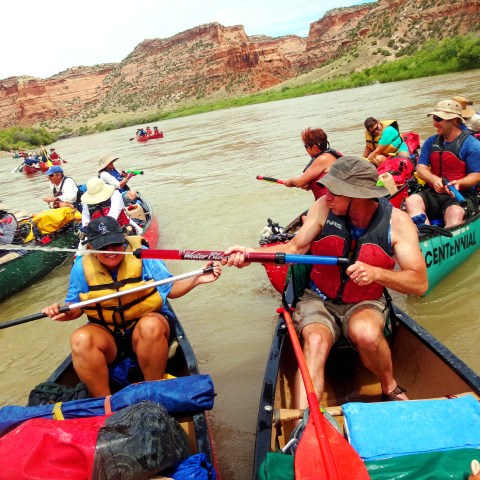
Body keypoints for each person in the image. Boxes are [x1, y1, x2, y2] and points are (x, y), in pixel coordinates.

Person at [223, 156, 428, 408]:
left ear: (359, 196)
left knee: (365, 333)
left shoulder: (398, 222)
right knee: (316, 340)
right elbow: (294, 248)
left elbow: (419, 283)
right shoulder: (322, 207)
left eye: (335, 191)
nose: (326, 195)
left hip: (365, 301)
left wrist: (377, 274)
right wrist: (250, 255)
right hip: (318, 299)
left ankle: (389, 385)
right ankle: (303, 421)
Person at [42, 217, 222, 397]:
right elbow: (75, 308)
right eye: (103, 246)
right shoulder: (81, 267)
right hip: (108, 333)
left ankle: (154, 394)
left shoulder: (143, 255)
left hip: (146, 326)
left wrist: (197, 279)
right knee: (80, 339)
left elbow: (171, 289)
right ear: (92, 248)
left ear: (124, 241)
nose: (111, 251)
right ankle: (105, 405)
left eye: (115, 244)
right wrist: (61, 313)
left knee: (150, 326)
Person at [405, 99, 480, 228]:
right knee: (411, 201)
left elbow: (476, 175)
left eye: (438, 119)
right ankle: (424, 232)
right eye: (434, 118)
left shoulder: (472, 145)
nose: (434, 123)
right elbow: (421, 168)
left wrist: (459, 183)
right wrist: (434, 180)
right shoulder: (430, 142)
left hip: (461, 196)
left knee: (454, 212)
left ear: (454, 121)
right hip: (434, 192)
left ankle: (449, 238)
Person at [283, 127, 342, 200]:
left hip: (332, 203)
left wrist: (291, 180)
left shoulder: (322, 159)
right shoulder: (333, 155)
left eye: (306, 147)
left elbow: (300, 182)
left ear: (314, 148)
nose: (306, 150)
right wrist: (308, 185)